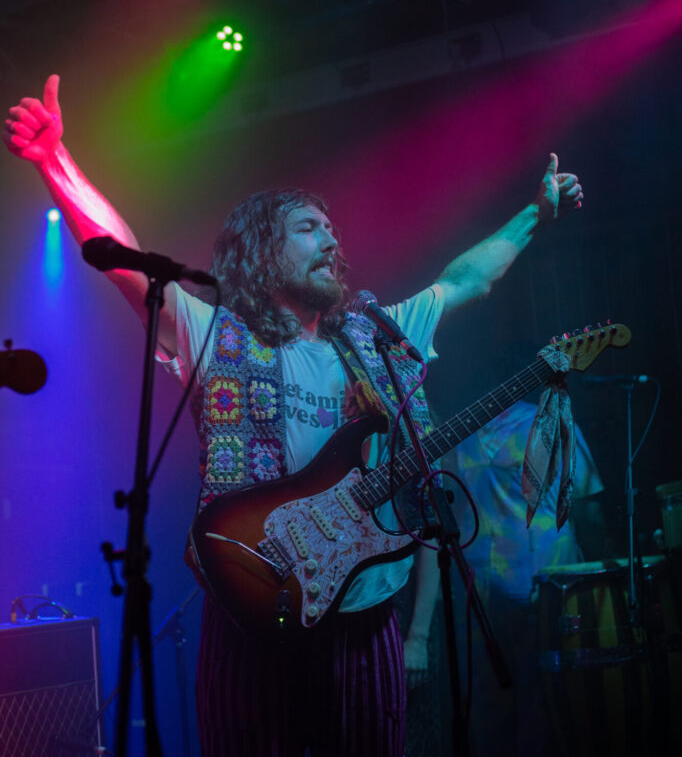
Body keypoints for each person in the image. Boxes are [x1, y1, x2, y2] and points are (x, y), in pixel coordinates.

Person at [3, 74, 584, 757]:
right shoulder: (213, 333)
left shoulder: (377, 336)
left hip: (363, 615)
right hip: (252, 603)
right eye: (310, 229)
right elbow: (123, 259)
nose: (331, 241)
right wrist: (56, 162)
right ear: (264, 251)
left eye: (332, 230)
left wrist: (534, 216)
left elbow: (465, 281)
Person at [443, 396, 606, 757]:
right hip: (546, 592)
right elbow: (589, 508)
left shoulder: (459, 433)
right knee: (545, 705)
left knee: (490, 708)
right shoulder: (553, 424)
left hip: (480, 598)